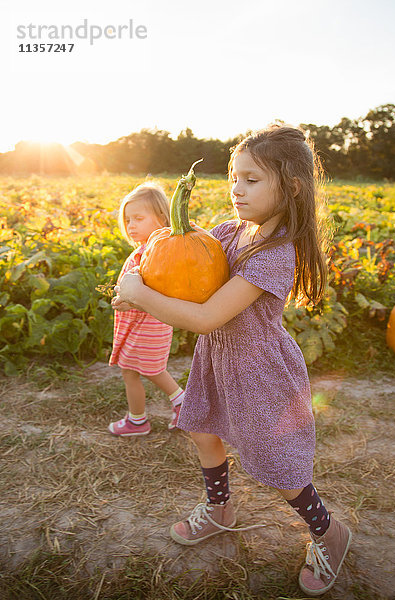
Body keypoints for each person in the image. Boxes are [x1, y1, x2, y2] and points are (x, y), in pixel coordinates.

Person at [112, 126, 352, 596]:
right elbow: (180, 265)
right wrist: (137, 289)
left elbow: (205, 316)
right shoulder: (229, 232)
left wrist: (140, 292)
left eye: (252, 179)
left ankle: (328, 531)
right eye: (233, 177)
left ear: (292, 186)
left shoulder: (275, 253)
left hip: (259, 370)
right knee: (203, 429)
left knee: (276, 463)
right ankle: (221, 509)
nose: (236, 189)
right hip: (218, 360)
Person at [108, 183, 184, 436]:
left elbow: (151, 291)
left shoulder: (152, 254)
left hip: (148, 325)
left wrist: (127, 301)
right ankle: (179, 404)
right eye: (128, 219)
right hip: (144, 325)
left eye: (139, 218)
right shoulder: (147, 250)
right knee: (148, 370)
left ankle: (138, 421)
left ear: (162, 218)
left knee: (137, 371)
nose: (131, 225)